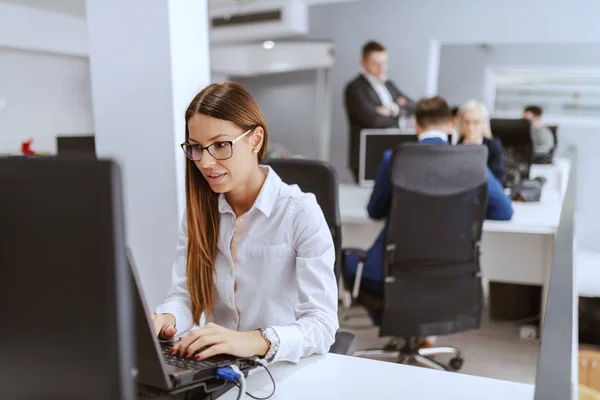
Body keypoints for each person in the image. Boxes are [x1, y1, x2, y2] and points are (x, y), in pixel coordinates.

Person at [151, 82, 339, 364]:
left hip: (282, 368)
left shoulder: (300, 212)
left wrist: (251, 340)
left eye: (220, 145)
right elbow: (185, 296)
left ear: (255, 139)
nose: (206, 163)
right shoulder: (199, 213)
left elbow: (322, 325)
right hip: (218, 365)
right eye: (196, 148)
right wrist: (166, 319)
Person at [343, 96, 513, 295]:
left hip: (396, 273)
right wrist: (464, 210)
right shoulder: (472, 161)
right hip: (453, 274)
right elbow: (504, 211)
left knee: (348, 260)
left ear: (416, 126)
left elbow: (374, 211)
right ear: (450, 124)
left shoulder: (394, 159)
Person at [344, 41, 416, 182]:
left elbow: (413, 106)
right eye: (375, 63)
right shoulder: (355, 88)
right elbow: (373, 120)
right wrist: (399, 114)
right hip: (367, 157)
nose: (381, 68)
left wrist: (393, 109)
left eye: (384, 63)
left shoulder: (388, 84)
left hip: (391, 154)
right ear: (363, 62)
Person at [456, 100, 505, 182]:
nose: (470, 127)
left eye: (476, 122)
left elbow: (498, 177)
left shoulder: (493, 145)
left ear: (484, 124)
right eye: (466, 122)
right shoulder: (455, 146)